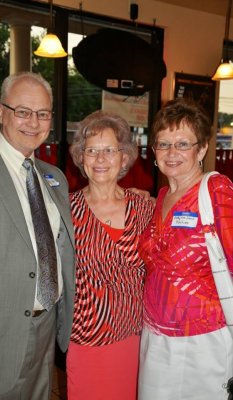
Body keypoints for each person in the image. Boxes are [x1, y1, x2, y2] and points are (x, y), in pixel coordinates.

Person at [0, 71, 75, 400]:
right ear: (1, 112)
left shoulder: (54, 177)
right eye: (23, 112)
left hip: (44, 331)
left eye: (42, 113)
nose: (34, 122)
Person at [138, 98, 233, 400]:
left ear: (202, 148)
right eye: (163, 144)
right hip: (154, 337)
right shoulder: (162, 195)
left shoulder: (216, 190)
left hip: (203, 342)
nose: (171, 153)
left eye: (182, 143)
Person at [66, 110, 155, 400]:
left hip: (135, 337)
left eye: (109, 150)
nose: (101, 159)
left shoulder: (146, 209)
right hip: (87, 338)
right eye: (92, 151)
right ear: (81, 158)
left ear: (124, 157)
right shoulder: (65, 211)